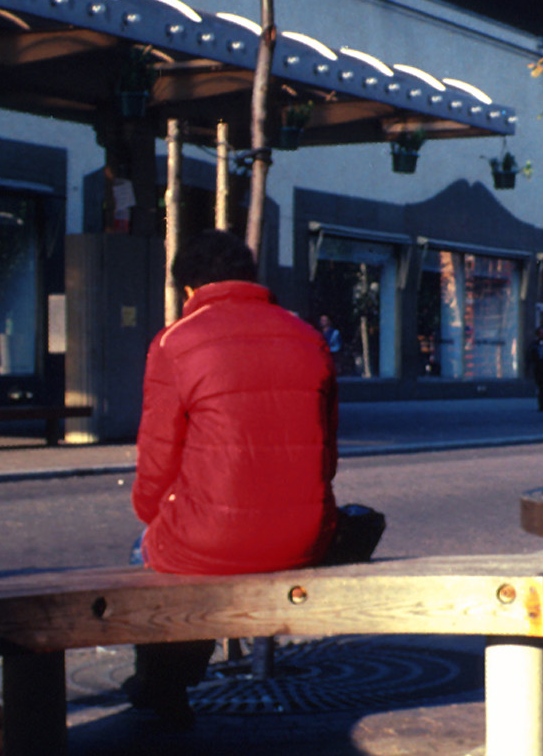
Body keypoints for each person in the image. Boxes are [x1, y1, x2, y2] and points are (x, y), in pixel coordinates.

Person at [128, 230, 382, 725]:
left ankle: (166, 687)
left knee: (151, 551)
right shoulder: (308, 337)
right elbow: (326, 459)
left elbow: (155, 468)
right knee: (187, 542)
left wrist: (157, 518)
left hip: (209, 542)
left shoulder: (174, 342)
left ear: (188, 292)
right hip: (305, 538)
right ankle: (169, 683)